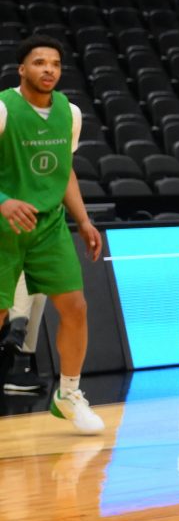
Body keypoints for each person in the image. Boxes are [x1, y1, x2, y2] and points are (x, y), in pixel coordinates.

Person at [0, 35, 104, 433]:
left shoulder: (70, 113)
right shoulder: (4, 109)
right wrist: (3, 201)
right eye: (40, 62)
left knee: (75, 307)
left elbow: (63, 172)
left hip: (48, 225)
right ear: (21, 69)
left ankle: (68, 395)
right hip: (4, 225)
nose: (49, 70)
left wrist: (83, 220)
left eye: (55, 64)